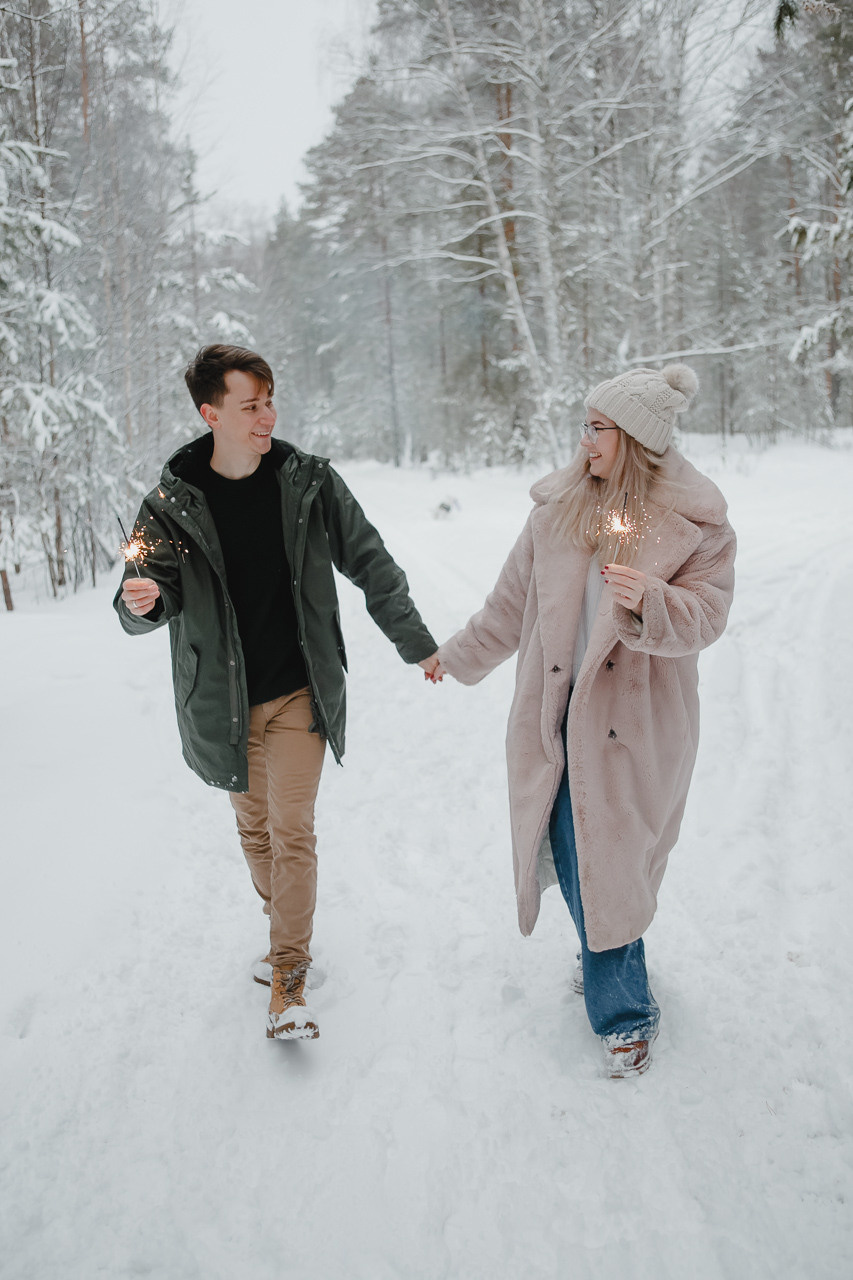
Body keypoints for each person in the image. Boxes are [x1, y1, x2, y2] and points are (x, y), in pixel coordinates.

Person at [114, 345, 439, 1041]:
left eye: (270, 400)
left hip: (299, 693)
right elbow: (147, 591)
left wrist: (417, 643)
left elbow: (372, 564)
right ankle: (283, 926)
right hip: (223, 703)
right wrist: (139, 603)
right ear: (211, 415)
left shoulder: (309, 483)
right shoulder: (169, 504)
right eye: (250, 405)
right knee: (254, 829)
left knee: (293, 831)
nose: (268, 416)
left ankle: (288, 979)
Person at [433, 364, 735, 1077]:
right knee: (579, 855)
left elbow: (707, 618)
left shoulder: (697, 528)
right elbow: (508, 609)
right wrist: (454, 657)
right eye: (585, 425)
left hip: (636, 731)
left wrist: (648, 602)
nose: (583, 439)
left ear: (631, 438)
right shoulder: (555, 514)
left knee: (615, 861)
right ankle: (618, 992)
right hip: (554, 723)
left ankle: (620, 1000)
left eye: (597, 428)